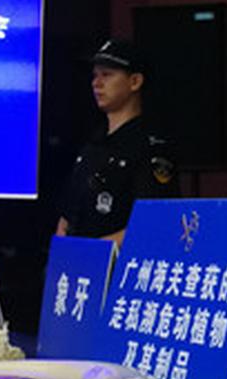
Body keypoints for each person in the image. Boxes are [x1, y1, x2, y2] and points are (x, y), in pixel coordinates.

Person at [56, 40, 176, 248]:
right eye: (95, 75)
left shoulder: (149, 147)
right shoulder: (92, 143)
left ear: (135, 82)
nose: (96, 83)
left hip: (119, 268)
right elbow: (67, 216)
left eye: (107, 75)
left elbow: (154, 223)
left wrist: (93, 253)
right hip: (76, 267)